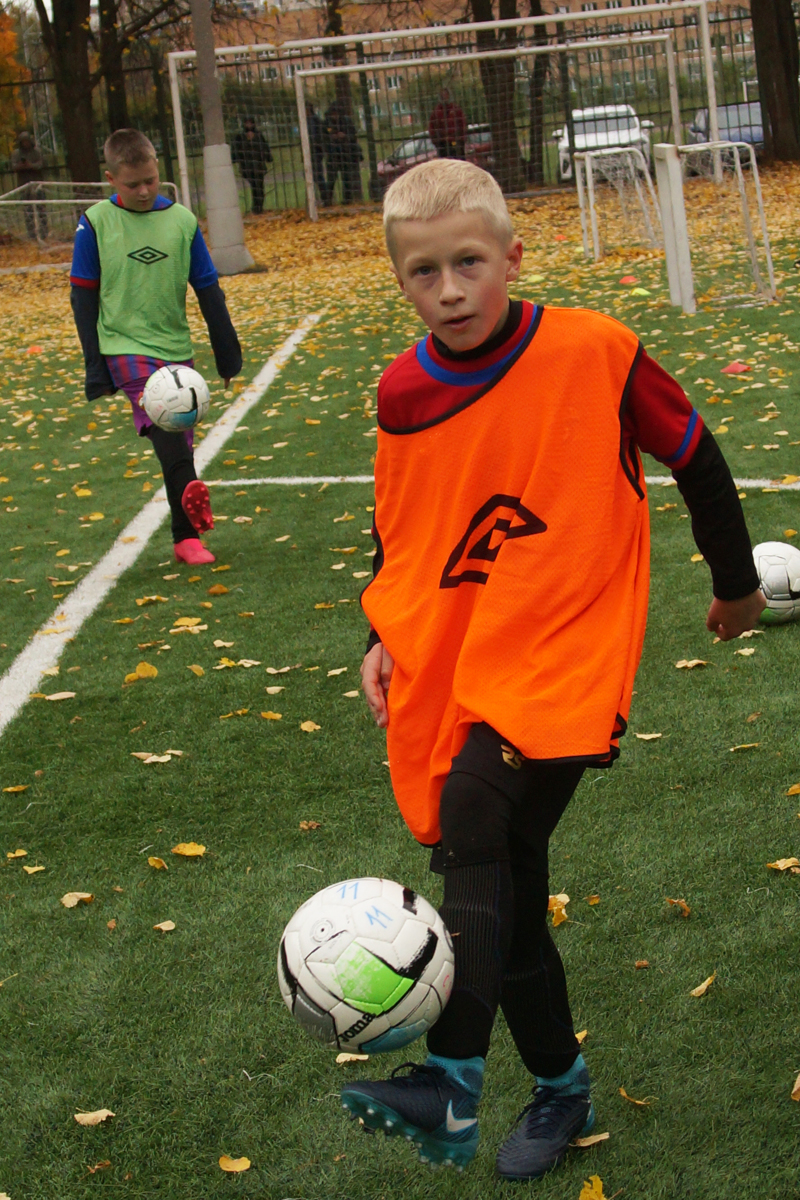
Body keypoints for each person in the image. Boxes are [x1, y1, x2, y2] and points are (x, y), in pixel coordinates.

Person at [340, 159, 765, 1180]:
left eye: (469, 263)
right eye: (425, 272)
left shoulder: (595, 350)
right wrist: (379, 631)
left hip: (570, 644)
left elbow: (695, 454)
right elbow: (402, 520)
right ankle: (561, 1091)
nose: (450, 290)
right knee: (507, 892)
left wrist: (736, 584)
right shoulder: (403, 390)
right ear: (399, 279)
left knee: (476, 813)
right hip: (467, 649)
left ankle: (449, 1080)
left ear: (512, 258)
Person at [69, 128, 242, 566]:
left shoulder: (183, 221)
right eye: (133, 184)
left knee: (179, 439)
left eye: (150, 180)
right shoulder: (94, 223)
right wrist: (96, 368)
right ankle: (192, 514)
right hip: (123, 346)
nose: (145, 191)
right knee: (168, 422)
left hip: (174, 347)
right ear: (111, 179)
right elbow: (83, 298)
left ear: (157, 170)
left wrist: (227, 355)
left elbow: (208, 290)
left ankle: (184, 538)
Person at [323, 98, 362, 206]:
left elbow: (353, 135)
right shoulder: (326, 123)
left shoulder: (346, 121)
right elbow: (323, 137)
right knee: (331, 179)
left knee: (346, 178)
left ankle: (347, 199)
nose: (334, 116)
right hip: (333, 154)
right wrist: (332, 138)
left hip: (345, 153)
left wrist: (345, 136)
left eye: (336, 114)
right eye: (333, 114)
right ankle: (328, 200)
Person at [231, 117, 273, 215]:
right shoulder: (240, 137)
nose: (249, 126)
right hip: (247, 167)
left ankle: (258, 207)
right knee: (254, 186)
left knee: (259, 186)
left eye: (250, 123)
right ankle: (256, 207)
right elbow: (236, 151)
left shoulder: (258, 136)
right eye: (247, 123)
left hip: (258, 165)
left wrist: (268, 157)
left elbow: (264, 148)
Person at [11, 131, 47, 240]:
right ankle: (32, 234)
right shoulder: (17, 154)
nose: (25, 144)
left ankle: (44, 233)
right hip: (24, 185)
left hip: (37, 184)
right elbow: (13, 166)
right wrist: (21, 165)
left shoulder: (37, 152)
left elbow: (41, 164)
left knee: (41, 210)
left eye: (27, 141)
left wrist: (31, 165)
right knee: (28, 211)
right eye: (23, 142)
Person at [428, 88, 467, 160]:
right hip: (442, 144)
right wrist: (436, 141)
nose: (444, 97)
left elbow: (463, 123)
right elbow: (432, 127)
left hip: (456, 141)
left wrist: (462, 138)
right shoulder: (436, 112)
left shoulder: (456, 109)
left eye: (446, 95)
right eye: (442, 95)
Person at [305, 102, 327, 203]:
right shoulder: (305, 121)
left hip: (316, 151)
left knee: (318, 175)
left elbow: (320, 135)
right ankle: (313, 198)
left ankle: (324, 197)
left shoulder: (316, 121)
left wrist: (318, 145)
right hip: (308, 151)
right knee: (309, 175)